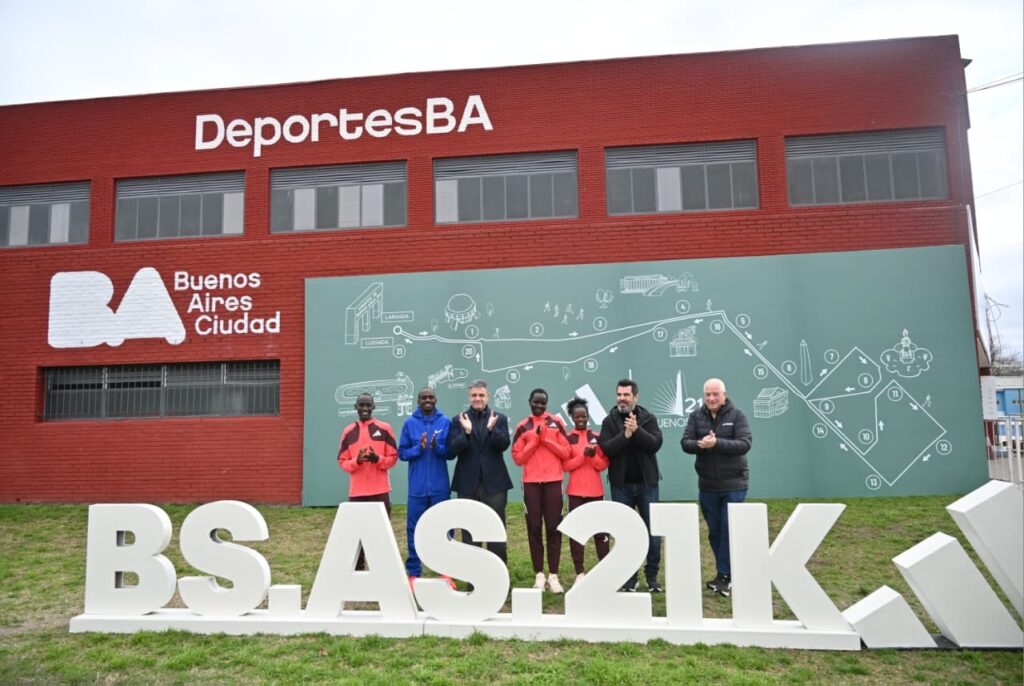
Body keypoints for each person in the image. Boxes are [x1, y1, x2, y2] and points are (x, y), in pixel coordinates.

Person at [681, 378, 753, 598]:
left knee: (728, 531)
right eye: (707, 395)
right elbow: (685, 443)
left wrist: (717, 443)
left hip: (734, 484)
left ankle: (727, 575)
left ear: (724, 395)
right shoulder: (696, 416)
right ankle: (725, 574)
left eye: (715, 394)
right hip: (708, 486)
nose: (711, 398)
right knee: (715, 532)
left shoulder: (737, 416)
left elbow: (745, 443)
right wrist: (700, 445)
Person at [598, 378, 664, 593]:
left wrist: (637, 431)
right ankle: (629, 577)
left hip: (647, 485)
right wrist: (626, 435)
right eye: (619, 394)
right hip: (621, 487)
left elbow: (655, 444)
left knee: (652, 532)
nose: (621, 399)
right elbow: (607, 449)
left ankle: (652, 577)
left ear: (635, 397)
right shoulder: (609, 421)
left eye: (626, 395)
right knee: (626, 533)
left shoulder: (648, 418)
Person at [512, 388, 570, 593]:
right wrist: (535, 441)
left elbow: (566, 451)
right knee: (534, 528)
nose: (539, 406)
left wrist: (546, 439)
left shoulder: (556, 423)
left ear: (547, 403)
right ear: (529, 402)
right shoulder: (523, 426)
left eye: (543, 403)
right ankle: (539, 575)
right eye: (535, 402)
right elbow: (518, 458)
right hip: (531, 484)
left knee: (554, 528)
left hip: (554, 482)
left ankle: (553, 576)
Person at [447, 380, 512, 562]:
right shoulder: (458, 420)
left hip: (495, 483)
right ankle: (473, 578)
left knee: (496, 530)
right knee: (469, 531)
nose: (477, 399)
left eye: (481, 395)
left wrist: (492, 429)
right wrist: (466, 433)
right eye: (474, 395)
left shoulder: (500, 418)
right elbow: (452, 450)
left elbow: (503, 445)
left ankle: (499, 575)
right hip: (467, 484)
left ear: (487, 396)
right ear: (469, 397)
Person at [398, 387, 455, 588]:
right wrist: (419, 448)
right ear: (418, 401)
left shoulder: (445, 422)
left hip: (440, 487)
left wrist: (436, 447)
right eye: (424, 398)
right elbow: (402, 453)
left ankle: (445, 572)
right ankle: (413, 572)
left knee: (444, 528)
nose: (427, 400)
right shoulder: (409, 424)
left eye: (431, 397)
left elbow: (450, 453)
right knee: (413, 528)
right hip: (417, 488)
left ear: (436, 399)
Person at [337, 393, 398, 570]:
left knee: (381, 533)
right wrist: (358, 461)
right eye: (361, 406)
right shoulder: (348, 431)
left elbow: (393, 458)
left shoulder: (385, 428)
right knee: (357, 533)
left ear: (374, 407)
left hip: (380, 491)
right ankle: (358, 568)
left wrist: (377, 458)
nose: (365, 409)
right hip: (357, 493)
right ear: (355, 407)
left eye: (368, 406)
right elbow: (342, 462)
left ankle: (383, 568)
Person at [562, 397, 610, 588]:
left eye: (584, 416)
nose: (581, 419)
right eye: (577, 416)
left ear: (588, 416)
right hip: (575, 493)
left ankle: (605, 569)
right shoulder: (567, 438)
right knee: (576, 533)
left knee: (601, 533)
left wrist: (593, 458)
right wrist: (583, 456)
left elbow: (603, 464)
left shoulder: (597, 437)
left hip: (595, 491)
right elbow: (565, 466)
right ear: (572, 418)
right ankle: (579, 572)